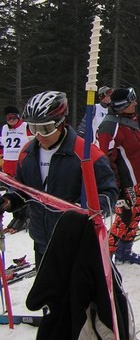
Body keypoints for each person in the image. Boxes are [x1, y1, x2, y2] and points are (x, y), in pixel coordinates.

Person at [0, 91, 118, 267]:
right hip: (42, 242)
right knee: (47, 294)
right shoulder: (27, 153)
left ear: (61, 122)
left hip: (77, 243)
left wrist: (86, 209)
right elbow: (23, 189)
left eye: (45, 128)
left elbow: (109, 193)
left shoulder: (86, 154)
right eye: (33, 128)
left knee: (78, 294)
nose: (39, 135)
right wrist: (8, 200)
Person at [97, 87, 140, 266]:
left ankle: (124, 252)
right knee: (124, 217)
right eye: (131, 100)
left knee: (137, 213)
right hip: (125, 183)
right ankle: (106, 256)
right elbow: (105, 159)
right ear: (122, 105)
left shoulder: (129, 119)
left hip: (137, 179)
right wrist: (116, 190)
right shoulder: (110, 126)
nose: (135, 103)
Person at [1, 105, 33, 233]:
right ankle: (15, 217)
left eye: (13, 117)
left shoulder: (25, 127)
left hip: (21, 165)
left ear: (18, 116)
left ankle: (23, 218)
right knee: (11, 193)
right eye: (8, 117)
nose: (10, 120)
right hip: (8, 166)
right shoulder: (4, 128)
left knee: (21, 192)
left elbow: (33, 142)